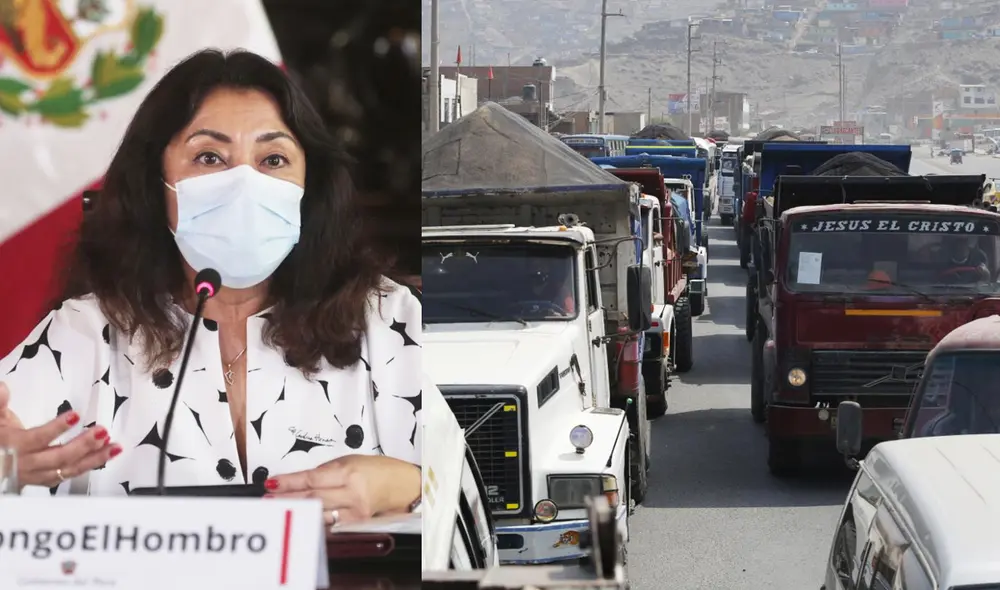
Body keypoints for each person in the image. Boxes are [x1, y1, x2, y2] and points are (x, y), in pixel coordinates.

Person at [0, 50, 421, 527]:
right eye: (209, 157)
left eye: (273, 158)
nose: (244, 183)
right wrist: (5, 469)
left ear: (310, 186)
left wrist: (401, 484)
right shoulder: (85, 334)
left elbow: (470, 490)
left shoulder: (391, 322)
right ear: (156, 184)